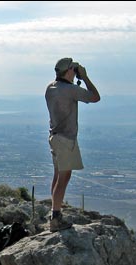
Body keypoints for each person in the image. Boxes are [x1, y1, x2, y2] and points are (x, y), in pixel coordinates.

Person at [45, 57, 100, 231]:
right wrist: (84, 77)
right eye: (73, 69)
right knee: (64, 177)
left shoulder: (51, 88)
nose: (75, 71)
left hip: (54, 137)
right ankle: (55, 217)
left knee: (57, 176)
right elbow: (95, 97)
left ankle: (54, 211)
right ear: (68, 71)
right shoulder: (69, 90)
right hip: (65, 139)